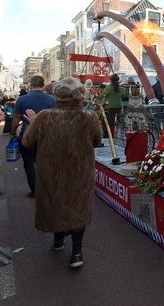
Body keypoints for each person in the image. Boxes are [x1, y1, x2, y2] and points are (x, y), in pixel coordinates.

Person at [21, 77, 102, 269]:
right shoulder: (90, 116)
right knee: (78, 206)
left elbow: (27, 142)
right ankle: (77, 253)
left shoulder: (44, 116)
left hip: (51, 169)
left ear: (57, 95)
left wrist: (34, 123)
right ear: (79, 95)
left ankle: (58, 240)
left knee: (55, 201)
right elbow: (97, 141)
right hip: (80, 169)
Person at [11, 76, 55, 198]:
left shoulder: (22, 99)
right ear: (43, 84)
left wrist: (13, 132)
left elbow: (16, 118)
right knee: (46, 162)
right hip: (47, 134)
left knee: (29, 162)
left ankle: (34, 189)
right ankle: (47, 188)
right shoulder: (52, 99)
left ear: (31, 85)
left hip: (28, 134)